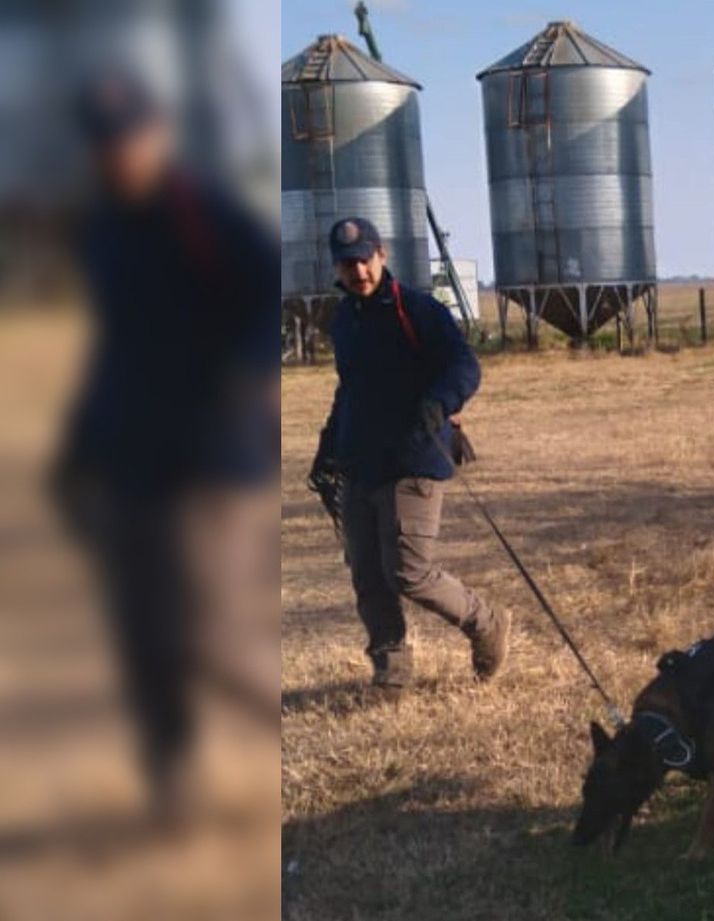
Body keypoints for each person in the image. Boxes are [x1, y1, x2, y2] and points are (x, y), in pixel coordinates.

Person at [54, 67, 281, 823]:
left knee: (206, 632)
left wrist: (241, 378)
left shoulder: (202, 211)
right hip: (130, 459)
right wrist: (76, 451)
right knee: (141, 636)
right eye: (103, 144)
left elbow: (264, 300)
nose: (117, 155)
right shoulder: (105, 232)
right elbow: (114, 348)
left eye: (128, 138)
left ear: (156, 135)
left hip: (213, 460)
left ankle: (280, 726)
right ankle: (173, 784)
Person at [310, 217, 508, 694]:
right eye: (347, 263)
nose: (357, 271)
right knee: (368, 577)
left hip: (415, 457)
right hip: (361, 463)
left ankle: (487, 623)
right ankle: (392, 676)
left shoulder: (417, 310)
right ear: (336, 266)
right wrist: (328, 446)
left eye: (364, 260)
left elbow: (464, 365)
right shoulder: (344, 320)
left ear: (382, 256)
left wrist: (440, 401)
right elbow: (350, 390)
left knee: (408, 572)